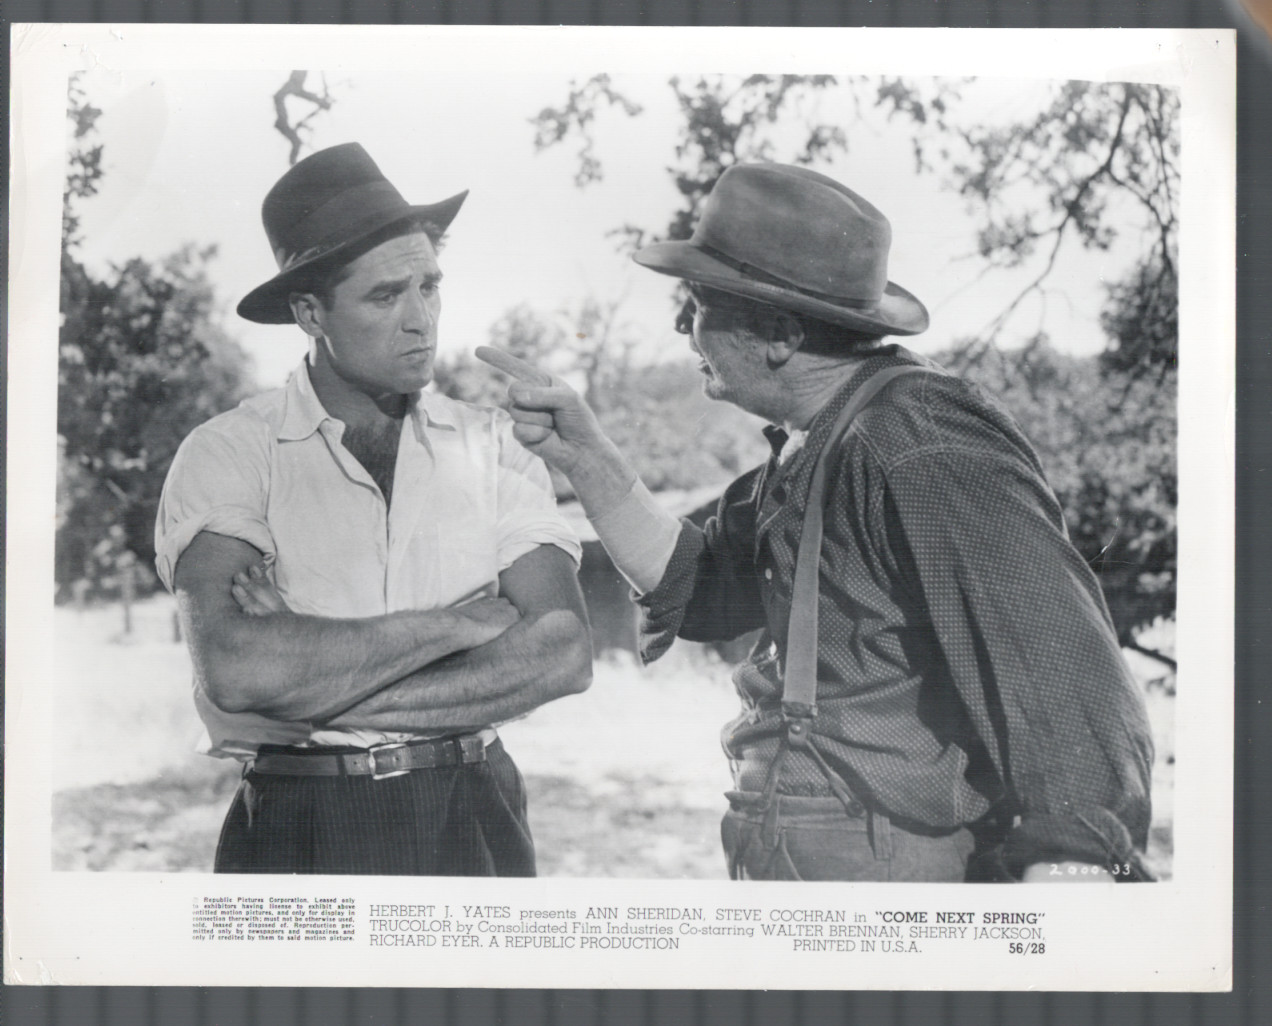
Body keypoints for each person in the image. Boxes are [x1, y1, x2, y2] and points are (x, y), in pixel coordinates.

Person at [477, 162, 1154, 883]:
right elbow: (702, 587)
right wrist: (585, 455)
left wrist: (1075, 862)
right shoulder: (827, 440)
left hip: (893, 870)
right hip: (812, 854)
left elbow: (1067, 669)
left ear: (778, 333)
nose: (681, 325)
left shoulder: (918, 442)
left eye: (698, 304)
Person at [154, 143, 591, 876]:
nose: (422, 320)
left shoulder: (492, 445)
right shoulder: (230, 452)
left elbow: (563, 653)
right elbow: (235, 669)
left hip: (473, 804)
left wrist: (306, 684)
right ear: (310, 313)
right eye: (386, 297)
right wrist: (461, 624)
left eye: (430, 286)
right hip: (304, 816)